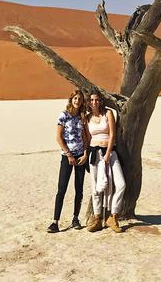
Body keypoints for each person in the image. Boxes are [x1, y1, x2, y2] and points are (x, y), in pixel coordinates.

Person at [48, 90, 89, 233]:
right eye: (75, 98)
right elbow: (59, 137)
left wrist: (85, 154)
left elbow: (85, 138)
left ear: (83, 102)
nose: (77, 101)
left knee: (79, 189)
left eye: (80, 99)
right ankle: (55, 222)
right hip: (67, 157)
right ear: (71, 99)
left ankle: (75, 218)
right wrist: (69, 154)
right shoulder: (64, 115)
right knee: (62, 189)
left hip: (80, 157)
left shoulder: (82, 117)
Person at [85, 92, 126, 232]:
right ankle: (97, 218)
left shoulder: (108, 113)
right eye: (91, 100)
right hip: (94, 155)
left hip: (110, 153)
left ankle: (112, 216)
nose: (94, 102)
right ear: (89, 103)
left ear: (100, 101)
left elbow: (113, 135)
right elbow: (86, 138)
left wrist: (108, 154)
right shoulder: (87, 117)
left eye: (97, 100)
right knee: (95, 187)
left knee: (121, 184)